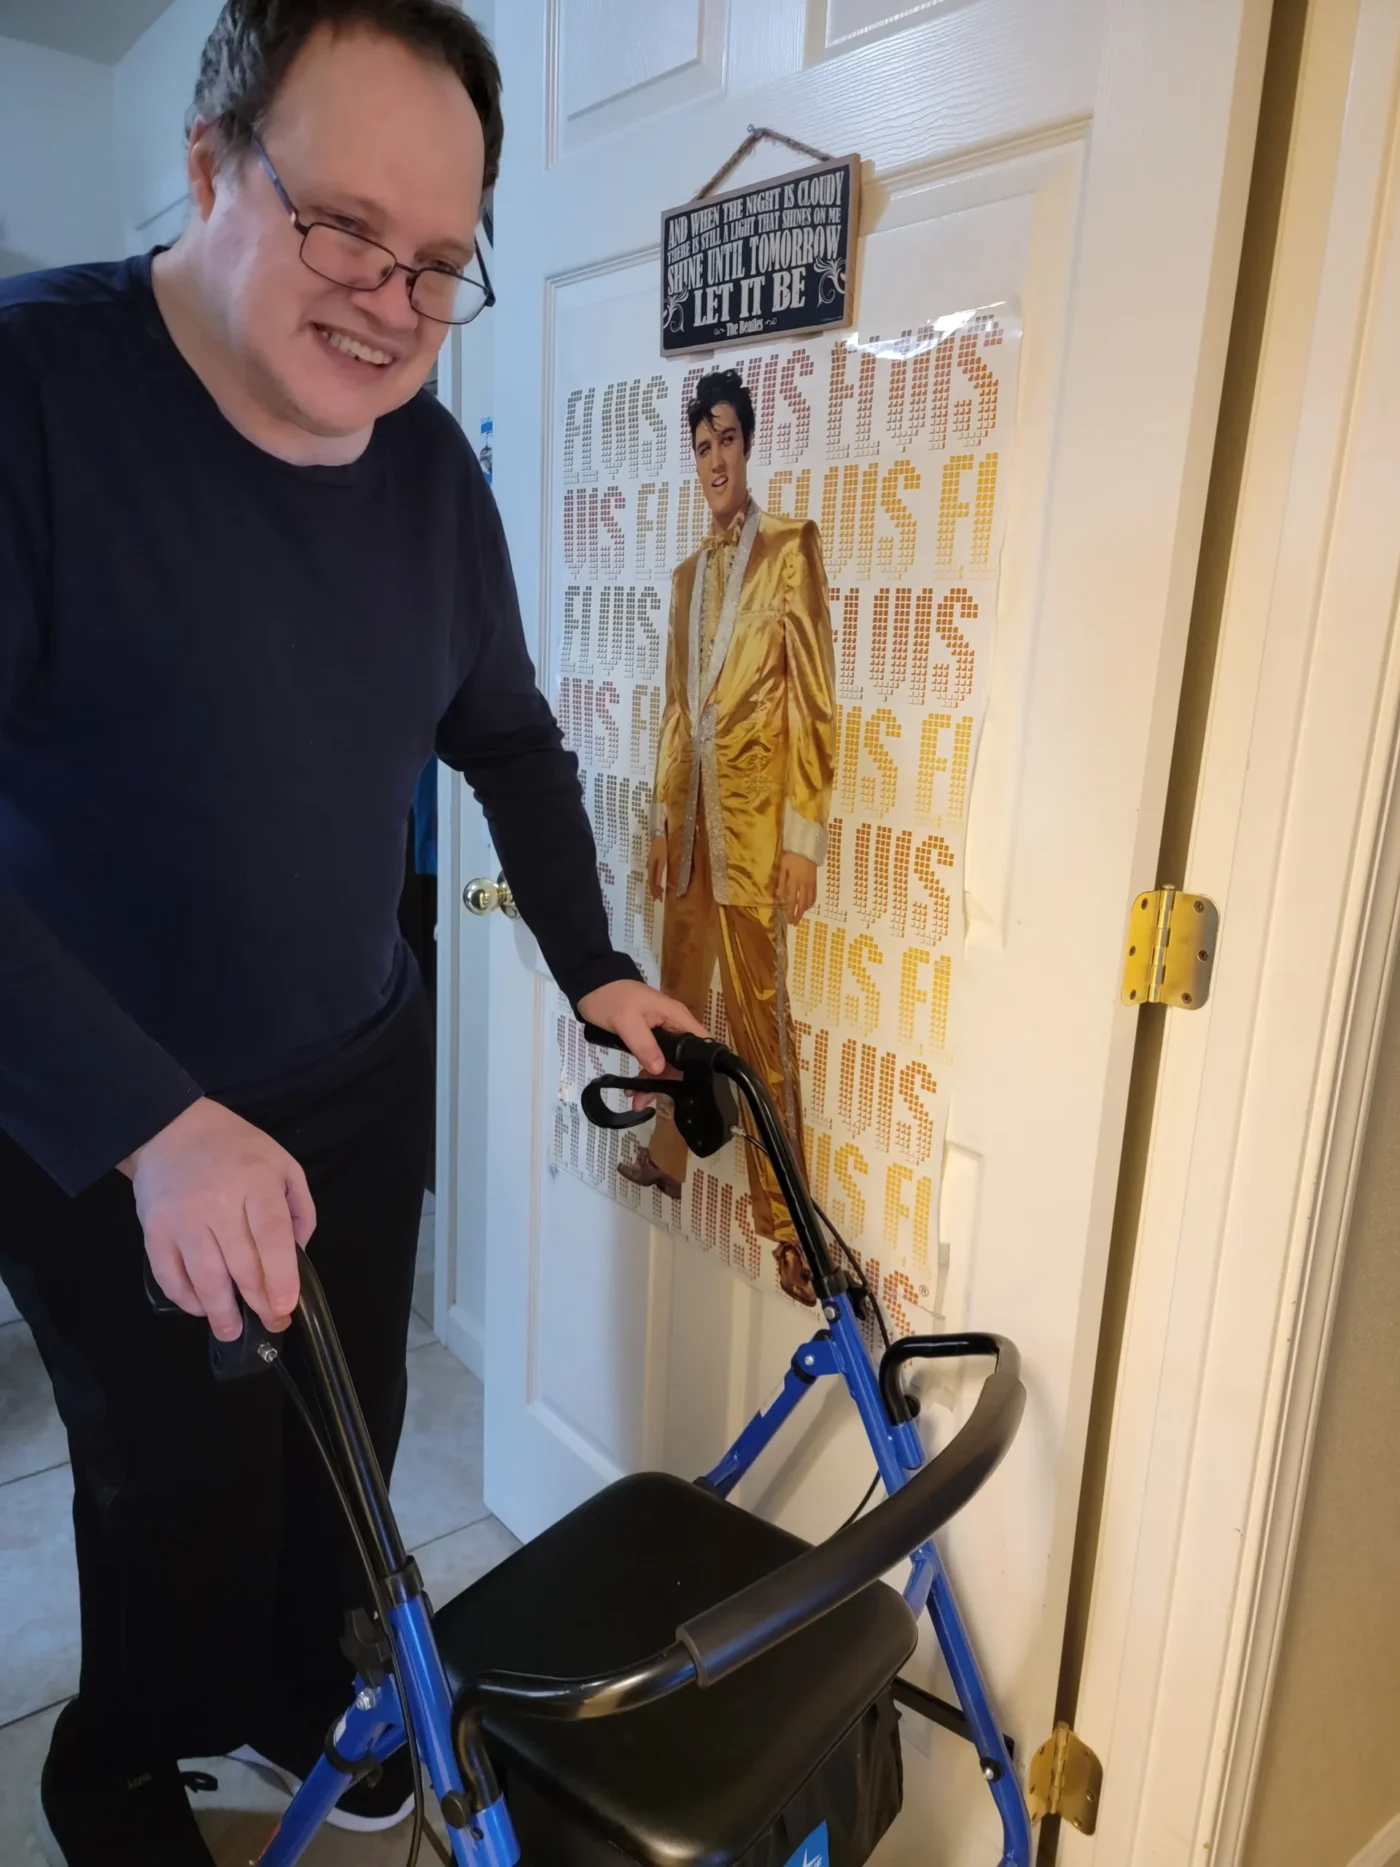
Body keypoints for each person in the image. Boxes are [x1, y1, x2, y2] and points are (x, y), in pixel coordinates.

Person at [0, 4, 701, 1861]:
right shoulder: (30, 399)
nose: (391, 300)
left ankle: (303, 1687)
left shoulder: (431, 475)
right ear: (215, 164)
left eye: (439, 263)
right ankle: (121, 1765)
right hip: (97, 1104)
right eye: (344, 231)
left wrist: (596, 965)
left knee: (347, 1429)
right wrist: (154, 1126)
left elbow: (512, 744)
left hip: (358, 1064)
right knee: (170, 1476)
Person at [617, 371, 837, 1306]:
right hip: (697, 830)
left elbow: (816, 697)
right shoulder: (684, 578)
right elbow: (677, 710)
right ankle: (668, 1152)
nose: (714, 461)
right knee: (676, 1003)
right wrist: (665, 824)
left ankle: (787, 1222)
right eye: (700, 447)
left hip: (754, 833)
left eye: (726, 442)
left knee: (757, 1021)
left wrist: (802, 839)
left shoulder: (789, 549)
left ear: (748, 447)